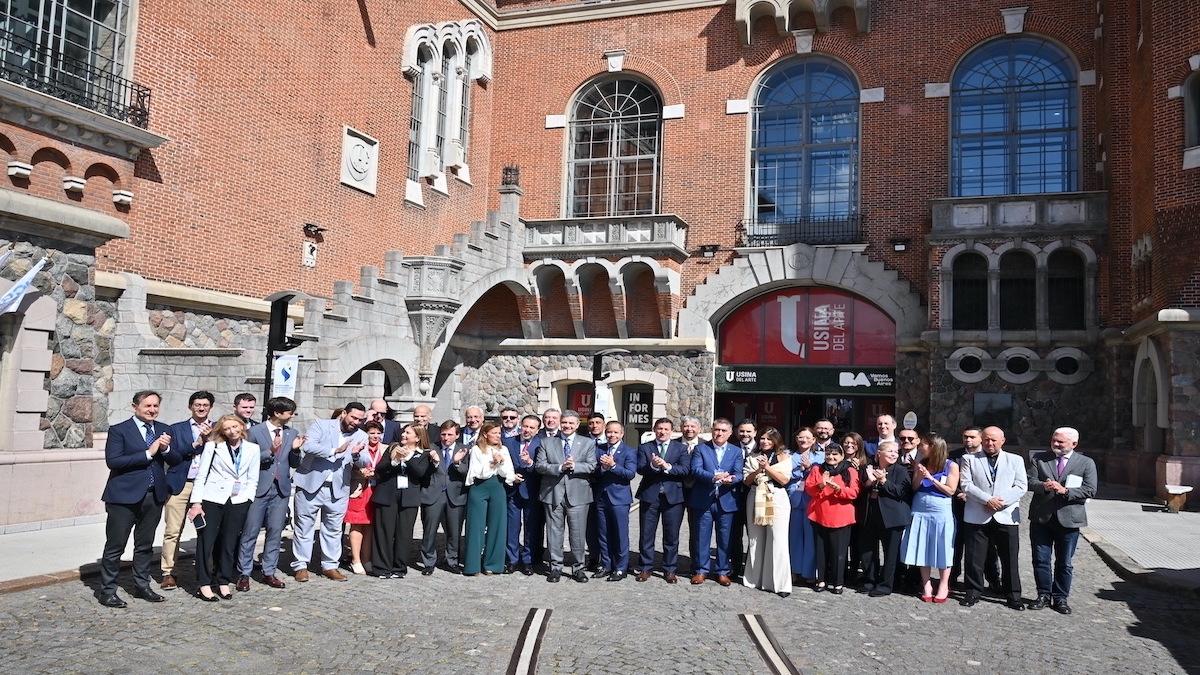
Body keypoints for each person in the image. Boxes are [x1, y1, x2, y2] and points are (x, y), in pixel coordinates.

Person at [97, 390, 180, 608]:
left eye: (155, 406)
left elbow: (175, 458)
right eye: (147, 406)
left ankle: (142, 586)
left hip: (153, 496)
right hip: (124, 498)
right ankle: (108, 591)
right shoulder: (119, 430)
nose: (152, 410)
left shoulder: (163, 429)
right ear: (135, 407)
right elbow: (113, 461)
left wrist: (167, 448)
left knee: (144, 546)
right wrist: (148, 452)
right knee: (116, 545)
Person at [291, 402, 368, 582]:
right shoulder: (321, 425)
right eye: (353, 417)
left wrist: (356, 455)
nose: (356, 422)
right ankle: (301, 565)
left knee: (333, 529)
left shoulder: (361, 435)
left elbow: (364, 461)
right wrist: (335, 450)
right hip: (311, 483)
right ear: (343, 414)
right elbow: (308, 447)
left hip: (338, 488)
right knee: (304, 526)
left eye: (360, 420)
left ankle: (330, 565)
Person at [187, 415, 260, 601]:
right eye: (227, 428)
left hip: (238, 500)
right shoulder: (213, 446)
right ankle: (204, 583)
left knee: (229, 543)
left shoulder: (252, 449)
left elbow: (253, 478)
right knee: (207, 541)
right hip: (212, 498)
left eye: (235, 426)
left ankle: (223, 580)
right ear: (222, 431)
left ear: (241, 426)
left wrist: (248, 499)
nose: (232, 431)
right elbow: (201, 475)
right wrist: (196, 502)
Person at [1027, 427, 1098, 615]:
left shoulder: (1086, 463)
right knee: (1040, 559)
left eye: (1060, 442)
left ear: (1074, 444)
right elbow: (1028, 481)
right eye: (1054, 440)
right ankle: (1043, 594)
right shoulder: (1040, 459)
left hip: (1069, 520)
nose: (1055, 444)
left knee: (1064, 562)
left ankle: (1060, 598)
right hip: (1042, 518)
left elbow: (1090, 489)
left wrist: (1066, 491)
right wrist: (1043, 485)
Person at [237, 396, 303, 590]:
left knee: (275, 531)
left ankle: (269, 572)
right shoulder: (254, 432)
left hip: (281, 489)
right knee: (250, 532)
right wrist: (269, 452)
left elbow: (293, 463)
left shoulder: (292, 433)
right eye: (289, 412)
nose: (292, 415)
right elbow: (245, 458)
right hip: (259, 487)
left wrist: (296, 451)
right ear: (277, 412)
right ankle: (244, 573)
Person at [959, 426, 1028, 610]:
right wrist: (987, 499)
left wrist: (1000, 502)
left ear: (1002, 440)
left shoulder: (1015, 460)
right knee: (974, 557)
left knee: (1010, 558)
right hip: (977, 514)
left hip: (1006, 515)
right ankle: (973, 591)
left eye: (994, 440)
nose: (990, 443)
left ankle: (1013, 595)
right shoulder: (969, 459)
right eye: (987, 439)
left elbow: (1021, 486)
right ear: (982, 439)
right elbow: (966, 484)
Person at [160, 390, 214, 591]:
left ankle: (208, 569)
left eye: (205, 405)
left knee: (207, 530)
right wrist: (197, 443)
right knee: (173, 530)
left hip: (208, 486)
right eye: (197, 405)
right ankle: (168, 572)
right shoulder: (176, 429)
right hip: (181, 484)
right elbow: (172, 457)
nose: (201, 408)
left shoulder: (218, 428)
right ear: (190, 406)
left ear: (210, 408)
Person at [534, 409, 597, 582]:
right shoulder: (547, 442)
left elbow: (592, 466)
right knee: (554, 532)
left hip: (578, 495)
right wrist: (559, 468)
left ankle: (578, 568)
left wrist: (575, 466)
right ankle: (555, 568)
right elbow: (540, 466)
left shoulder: (587, 443)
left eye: (571, 423)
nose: (567, 426)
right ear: (560, 424)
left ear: (577, 425)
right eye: (565, 423)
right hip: (552, 493)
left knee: (578, 534)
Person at [900, 434, 959, 603]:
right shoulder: (922, 464)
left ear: (933, 446)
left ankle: (943, 585)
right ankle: (926, 584)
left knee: (943, 547)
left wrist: (931, 478)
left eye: (923, 445)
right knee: (922, 546)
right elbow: (915, 487)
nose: (920, 447)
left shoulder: (951, 465)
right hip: (920, 509)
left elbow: (951, 491)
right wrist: (919, 474)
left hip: (941, 511)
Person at [371, 425, 433, 578]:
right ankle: (381, 568)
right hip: (387, 495)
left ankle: (399, 568)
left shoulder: (423, 454)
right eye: (403, 432)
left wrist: (407, 458)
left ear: (417, 438)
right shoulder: (392, 447)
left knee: (404, 533)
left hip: (409, 498)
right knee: (384, 531)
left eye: (408, 433)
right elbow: (380, 469)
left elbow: (421, 473)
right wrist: (394, 461)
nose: (403, 435)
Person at [689, 418, 744, 586]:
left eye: (723, 430)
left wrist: (732, 478)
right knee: (701, 537)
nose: (719, 433)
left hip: (726, 500)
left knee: (725, 538)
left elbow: (739, 473)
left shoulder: (735, 451)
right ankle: (701, 570)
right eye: (716, 430)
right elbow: (696, 470)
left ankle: (722, 571)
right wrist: (713, 477)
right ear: (712, 431)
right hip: (704, 499)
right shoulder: (701, 449)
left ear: (729, 433)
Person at [635, 418, 689, 583]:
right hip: (650, 496)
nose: (662, 432)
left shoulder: (681, 448)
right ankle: (645, 568)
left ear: (671, 431)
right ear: (654, 429)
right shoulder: (645, 447)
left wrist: (667, 466)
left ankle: (670, 569)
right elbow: (640, 468)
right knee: (646, 534)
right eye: (659, 429)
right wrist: (652, 465)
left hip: (673, 498)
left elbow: (685, 470)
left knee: (671, 536)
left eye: (666, 429)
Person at [742, 427, 793, 597]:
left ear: (776, 441)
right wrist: (758, 470)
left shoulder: (784, 457)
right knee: (755, 539)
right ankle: (755, 578)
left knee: (777, 539)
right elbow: (747, 481)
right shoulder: (752, 457)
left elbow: (784, 479)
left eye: (769, 439)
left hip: (776, 497)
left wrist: (767, 468)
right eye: (763, 438)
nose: (765, 442)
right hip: (755, 496)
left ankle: (780, 583)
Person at [857, 440, 912, 597]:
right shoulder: (867, 468)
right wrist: (870, 481)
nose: (894, 454)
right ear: (879, 454)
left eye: (896, 452)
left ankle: (885, 585)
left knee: (891, 553)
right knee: (867, 550)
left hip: (892, 517)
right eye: (890, 451)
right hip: (870, 513)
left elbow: (901, 492)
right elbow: (859, 490)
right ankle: (869, 580)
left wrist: (883, 481)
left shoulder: (901, 470)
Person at [463, 422, 518, 575]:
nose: (497, 436)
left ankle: (492, 565)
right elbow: (478, 472)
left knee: (497, 526)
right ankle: (472, 565)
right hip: (479, 488)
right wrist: (494, 463)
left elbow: (507, 472)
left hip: (497, 488)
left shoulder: (504, 449)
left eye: (499, 433)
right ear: (485, 434)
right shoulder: (476, 449)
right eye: (494, 433)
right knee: (476, 527)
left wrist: (502, 466)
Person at [804, 444, 860, 594]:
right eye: (828, 454)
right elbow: (809, 488)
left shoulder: (850, 471)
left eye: (835, 454)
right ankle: (821, 580)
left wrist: (838, 489)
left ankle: (838, 582)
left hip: (841, 516)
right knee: (821, 550)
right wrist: (821, 484)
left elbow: (854, 493)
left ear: (842, 456)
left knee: (839, 552)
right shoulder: (817, 469)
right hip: (820, 514)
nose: (831, 457)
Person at [951, 427, 1000, 590]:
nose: (968, 440)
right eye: (965, 437)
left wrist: (982, 498)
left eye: (972, 437)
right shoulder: (954, 455)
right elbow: (948, 477)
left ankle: (993, 580)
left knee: (988, 547)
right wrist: (959, 493)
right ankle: (952, 578)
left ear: (981, 438)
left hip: (984, 508)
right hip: (959, 506)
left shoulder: (991, 455)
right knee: (956, 544)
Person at [419, 420, 471, 575]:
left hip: (455, 495)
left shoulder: (464, 449)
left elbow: (467, 472)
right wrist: (434, 462)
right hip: (433, 494)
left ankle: (452, 560)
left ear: (457, 435)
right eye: (443, 434)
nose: (446, 438)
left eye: (449, 434)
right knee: (429, 531)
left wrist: (457, 463)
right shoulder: (431, 448)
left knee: (454, 532)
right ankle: (429, 562)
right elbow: (422, 472)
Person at [593, 420, 637, 581]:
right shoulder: (599, 449)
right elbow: (593, 471)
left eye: (615, 432)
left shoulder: (629, 451)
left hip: (619, 498)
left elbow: (630, 474)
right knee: (603, 534)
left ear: (622, 434)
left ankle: (620, 567)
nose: (612, 435)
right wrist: (601, 468)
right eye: (609, 432)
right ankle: (605, 564)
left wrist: (612, 466)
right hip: (601, 497)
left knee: (620, 534)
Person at [344, 420, 384, 575]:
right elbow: (348, 465)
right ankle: (355, 559)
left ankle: (366, 559)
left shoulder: (385, 448)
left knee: (370, 526)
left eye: (378, 433)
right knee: (357, 524)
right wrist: (360, 472)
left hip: (377, 491)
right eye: (371, 433)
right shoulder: (359, 447)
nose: (375, 436)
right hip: (359, 490)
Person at [504, 414, 543, 575]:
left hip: (532, 491)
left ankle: (528, 560)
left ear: (537, 430)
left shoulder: (541, 444)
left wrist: (530, 464)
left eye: (531, 427)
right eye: (525, 426)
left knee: (531, 528)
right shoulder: (508, 442)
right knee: (512, 528)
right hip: (513, 491)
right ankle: (512, 560)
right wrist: (511, 476)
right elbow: (503, 464)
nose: (527, 430)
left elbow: (543, 468)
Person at [788, 427, 824, 585]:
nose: (804, 440)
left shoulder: (821, 456)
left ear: (814, 439)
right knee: (794, 537)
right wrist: (799, 471)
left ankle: (809, 571)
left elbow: (824, 476)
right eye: (800, 437)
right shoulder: (789, 456)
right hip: (794, 499)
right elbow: (784, 475)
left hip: (813, 501)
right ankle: (794, 570)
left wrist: (810, 469)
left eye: (808, 438)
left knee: (811, 538)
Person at [730, 419, 757, 579]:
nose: (745, 434)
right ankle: (735, 567)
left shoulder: (763, 449)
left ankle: (753, 570)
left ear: (754, 432)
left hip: (755, 498)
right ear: (736, 432)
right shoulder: (731, 448)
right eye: (741, 431)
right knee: (735, 536)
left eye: (748, 431)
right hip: (733, 498)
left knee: (754, 535)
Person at [585, 412, 608, 572]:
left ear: (603, 425)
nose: (594, 425)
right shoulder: (583, 441)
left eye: (598, 422)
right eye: (591, 423)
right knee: (589, 526)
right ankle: (593, 557)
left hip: (605, 489)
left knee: (605, 526)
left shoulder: (610, 441)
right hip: (585, 487)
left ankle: (607, 558)